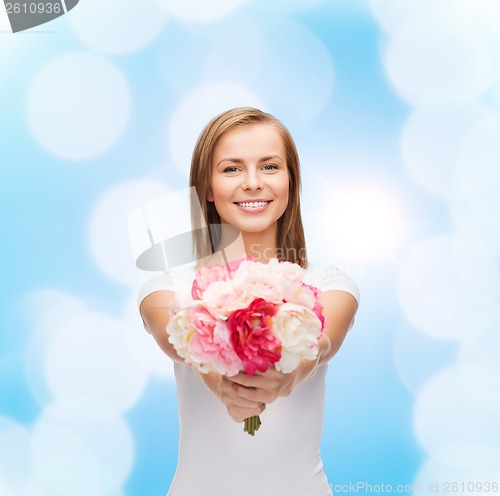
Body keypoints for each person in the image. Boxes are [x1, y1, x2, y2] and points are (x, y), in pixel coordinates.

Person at [137, 108, 359, 496]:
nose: (253, 183)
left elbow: (324, 342)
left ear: (291, 181)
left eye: (270, 166)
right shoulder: (168, 287)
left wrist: (291, 374)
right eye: (231, 169)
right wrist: (218, 382)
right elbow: (174, 339)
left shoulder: (327, 284)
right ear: (207, 187)